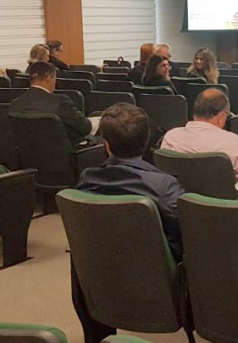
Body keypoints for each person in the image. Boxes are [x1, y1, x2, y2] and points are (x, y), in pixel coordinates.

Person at [77, 103, 185, 260]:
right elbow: (186, 234)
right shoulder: (164, 186)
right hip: (155, 271)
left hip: (101, 265)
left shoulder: (87, 180)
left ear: (106, 145)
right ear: (147, 141)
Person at [161, 89, 238, 184]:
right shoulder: (233, 142)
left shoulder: (170, 138)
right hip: (225, 203)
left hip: (180, 200)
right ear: (221, 117)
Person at [9, 61, 92, 146]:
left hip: (26, 157)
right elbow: (84, 127)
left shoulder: (15, 104)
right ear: (49, 78)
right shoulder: (61, 102)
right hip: (64, 156)